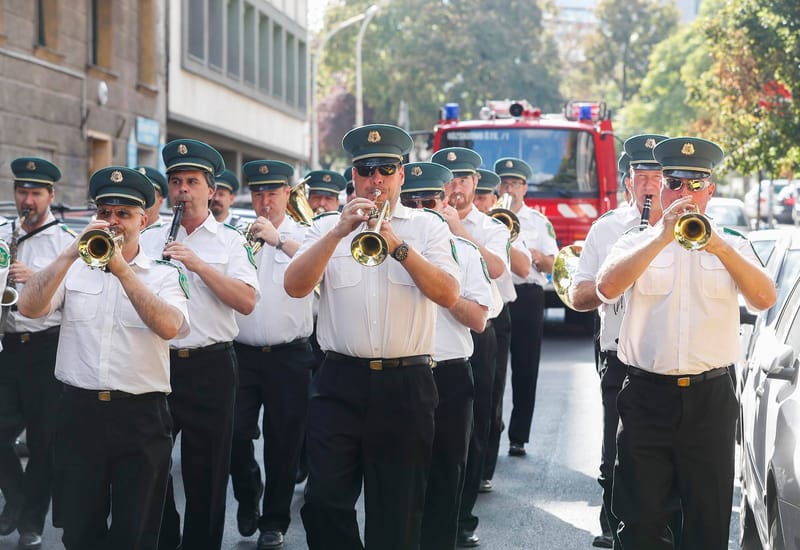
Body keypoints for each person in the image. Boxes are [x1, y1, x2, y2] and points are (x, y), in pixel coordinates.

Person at [284, 124, 460, 550]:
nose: (375, 179)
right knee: (323, 503)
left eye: (386, 169)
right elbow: (294, 285)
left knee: (397, 515)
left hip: (406, 385)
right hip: (339, 382)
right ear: (354, 177)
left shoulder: (428, 227)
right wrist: (337, 233)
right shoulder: (327, 227)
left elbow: (449, 293)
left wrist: (398, 247)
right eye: (366, 170)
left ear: (402, 175)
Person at [596, 137, 776, 549]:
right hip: (645, 397)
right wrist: (659, 236)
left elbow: (765, 298)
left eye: (696, 185)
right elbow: (606, 288)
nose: (685, 194)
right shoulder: (634, 242)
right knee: (639, 525)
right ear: (661, 186)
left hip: (709, 400)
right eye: (675, 183)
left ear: (710, 190)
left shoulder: (733, 244)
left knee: (707, 525)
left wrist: (720, 247)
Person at [17, 166, 190, 550]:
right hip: (80, 415)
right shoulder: (74, 267)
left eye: (123, 214)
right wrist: (67, 253)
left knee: (135, 534)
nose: (112, 222)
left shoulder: (165, 272)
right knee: (79, 531)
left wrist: (122, 270)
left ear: (142, 220)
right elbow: (28, 307)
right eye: (105, 212)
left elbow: (170, 326)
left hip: (141, 417)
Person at [139, 139, 259, 550]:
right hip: (157, 363)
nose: (183, 191)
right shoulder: (150, 236)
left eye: (192, 182)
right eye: (176, 182)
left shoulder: (230, 241)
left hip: (211, 366)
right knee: (151, 468)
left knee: (206, 475)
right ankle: (167, 539)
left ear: (211, 189)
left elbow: (245, 301)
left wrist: (198, 264)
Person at [570, 134, 668, 548]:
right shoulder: (606, 228)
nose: (648, 185)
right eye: (641, 176)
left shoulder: (686, 230)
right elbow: (578, 294)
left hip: (665, 359)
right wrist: (613, 284)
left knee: (663, 455)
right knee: (616, 446)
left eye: (656, 176)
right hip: (619, 353)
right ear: (628, 181)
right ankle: (613, 525)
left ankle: (659, 529)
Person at [399, 161, 494, 550]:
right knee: (401, 475)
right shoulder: (383, 246)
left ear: (445, 202)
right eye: (412, 200)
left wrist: (440, 287)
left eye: (430, 200)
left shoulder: (466, 252)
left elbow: (478, 319)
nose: (422, 207)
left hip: (450, 373)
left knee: (447, 472)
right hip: (402, 372)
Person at [229, 160, 316, 550]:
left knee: (284, 442)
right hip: (242, 353)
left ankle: (274, 521)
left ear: (287, 193)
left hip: (290, 355)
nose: (265, 201)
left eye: (273, 192)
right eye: (258, 193)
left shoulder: (306, 234)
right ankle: (249, 493)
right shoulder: (237, 234)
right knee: (233, 434)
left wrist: (278, 239)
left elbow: (318, 270)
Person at [431, 147, 509, 548]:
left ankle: (462, 515)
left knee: (475, 427)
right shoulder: (427, 219)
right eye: (450, 180)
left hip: (480, 332)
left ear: (476, 183)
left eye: (463, 179)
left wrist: (459, 230)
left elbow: (496, 268)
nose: (456, 187)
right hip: (434, 336)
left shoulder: (491, 225)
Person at [0, 157, 76, 550]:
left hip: (46, 348)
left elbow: (76, 304)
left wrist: (37, 279)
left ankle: (31, 521)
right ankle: (16, 498)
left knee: (44, 442)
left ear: (50, 196)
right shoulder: (2, 232)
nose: (26, 200)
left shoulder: (65, 242)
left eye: (35, 193)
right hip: (7, 345)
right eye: (21, 192)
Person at [493, 157, 559, 458]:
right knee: (493, 369)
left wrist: (534, 256)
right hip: (497, 294)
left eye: (515, 184)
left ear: (525, 188)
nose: (510, 188)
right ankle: (491, 430)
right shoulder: (492, 216)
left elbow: (553, 264)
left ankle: (518, 436)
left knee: (525, 367)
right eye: (505, 183)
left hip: (529, 294)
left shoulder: (537, 221)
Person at [472, 168, 531, 494]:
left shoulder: (500, 224)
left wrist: (494, 237)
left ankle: (484, 469)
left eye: (483, 196)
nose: (479, 202)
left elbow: (521, 268)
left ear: (494, 199)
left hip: (497, 315)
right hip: (460, 316)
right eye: (476, 195)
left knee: (491, 394)